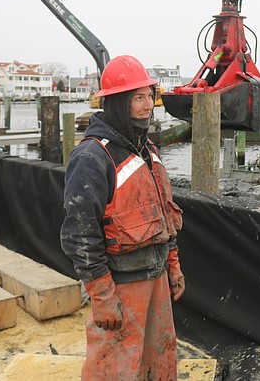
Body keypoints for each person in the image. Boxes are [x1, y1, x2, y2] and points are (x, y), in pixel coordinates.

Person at [60, 55, 185, 380]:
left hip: (155, 279)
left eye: (149, 96)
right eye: (138, 98)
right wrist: (101, 296)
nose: (148, 105)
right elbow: (80, 235)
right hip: (121, 286)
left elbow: (163, 215)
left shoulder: (147, 150)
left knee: (159, 362)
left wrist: (173, 265)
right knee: (114, 368)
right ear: (118, 102)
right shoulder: (92, 157)